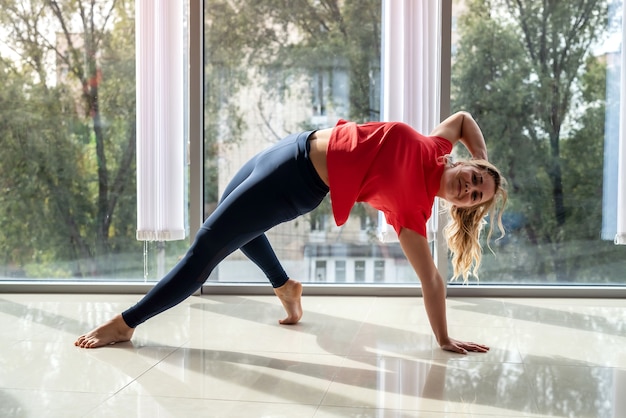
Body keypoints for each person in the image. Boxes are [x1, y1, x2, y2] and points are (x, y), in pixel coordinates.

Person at [75, 111, 507, 354]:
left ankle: (126, 323)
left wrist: (444, 338)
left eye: (473, 197)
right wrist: (488, 160)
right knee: (232, 224)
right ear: (467, 166)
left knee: (206, 248)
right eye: (474, 179)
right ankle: (285, 286)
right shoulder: (437, 148)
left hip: (294, 185)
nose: (468, 189)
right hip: (291, 147)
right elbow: (467, 119)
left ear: (461, 208)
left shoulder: (412, 212)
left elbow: (431, 280)